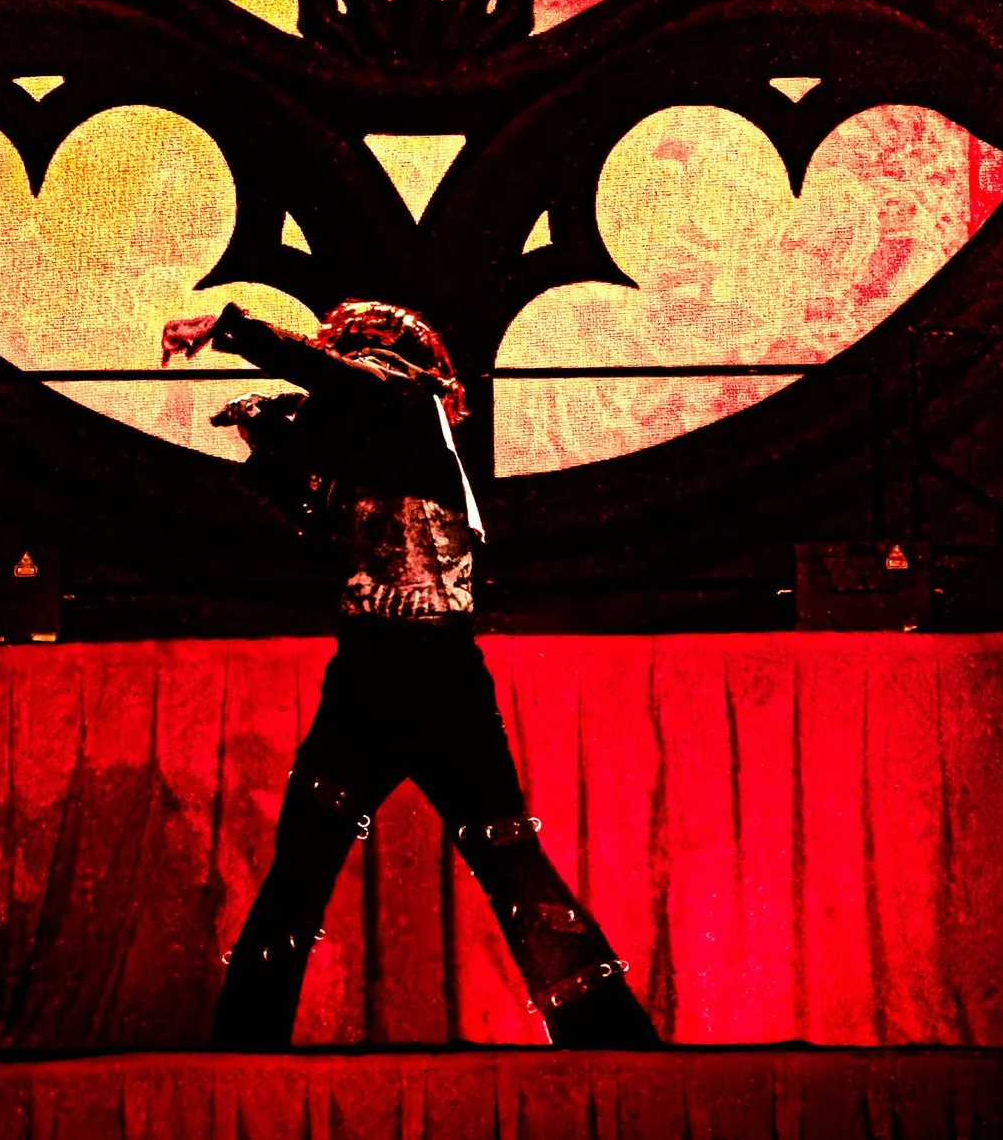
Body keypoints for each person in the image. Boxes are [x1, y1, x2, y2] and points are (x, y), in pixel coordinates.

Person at [162, 299, 660, 1049]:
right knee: (317, 863)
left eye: (351, 354)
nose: (345, 368)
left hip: (418, 669)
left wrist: (232, 331)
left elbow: (344, 384)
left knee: (494, 858)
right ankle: (245, 1047)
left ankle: (612, 1042)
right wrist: (268, 437)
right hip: (386, 670)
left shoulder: (402, 400)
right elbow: (318, 511)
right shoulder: (386, 447)